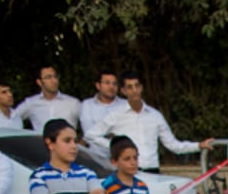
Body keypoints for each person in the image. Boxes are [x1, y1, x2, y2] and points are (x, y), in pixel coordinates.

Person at [86, 71, 214, 172]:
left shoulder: (155, 115)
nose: (134, 90)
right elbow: (90, 135)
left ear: (141, 87)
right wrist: (117, 146)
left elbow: (173, 145)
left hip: (153, 169)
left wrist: (199, 146)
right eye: (130, 87)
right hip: (129, 171)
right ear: (123, 91)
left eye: (137, 86)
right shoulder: (115, 114)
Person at [15, 65, 81, 132]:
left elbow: (89, 122)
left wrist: (82, 141)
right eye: (48, 77)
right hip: (40, 142)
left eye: (56, 76)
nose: (54, 81)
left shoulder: (73, 103)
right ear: (39, 82)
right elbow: (12, 118)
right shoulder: (31, 103)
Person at [79, 71, 128, 160]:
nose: (111, 86)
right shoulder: (87, 105)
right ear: (98, 85)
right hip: (95, 157)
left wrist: (100, 134)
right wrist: (112, 134)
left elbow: (127, 131)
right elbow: (89, 133)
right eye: (107, 83)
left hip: (121, 157)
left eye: (114, 84)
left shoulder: (125, 105)